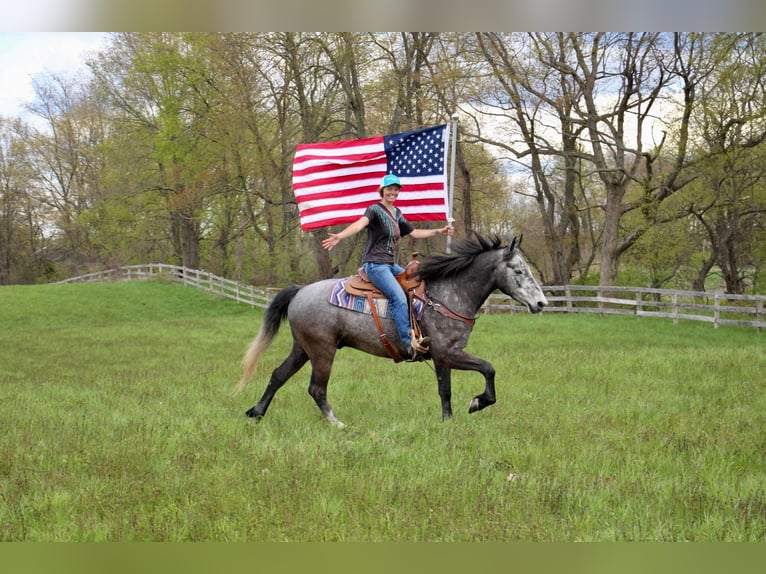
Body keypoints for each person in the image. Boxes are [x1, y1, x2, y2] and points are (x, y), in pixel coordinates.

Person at [322, 173, 454, 358]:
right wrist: (339, 236)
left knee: (418, 287)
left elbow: (414, 233)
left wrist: (439, 231)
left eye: (396, 189)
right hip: (375, 265)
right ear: (382, 190)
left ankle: (422, 331)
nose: (393, 192)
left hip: (390, 265)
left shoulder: (397, 213)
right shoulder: (374, 210)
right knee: (399, 297)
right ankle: (409, 344)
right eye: (389, 189)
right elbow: (360, 224)